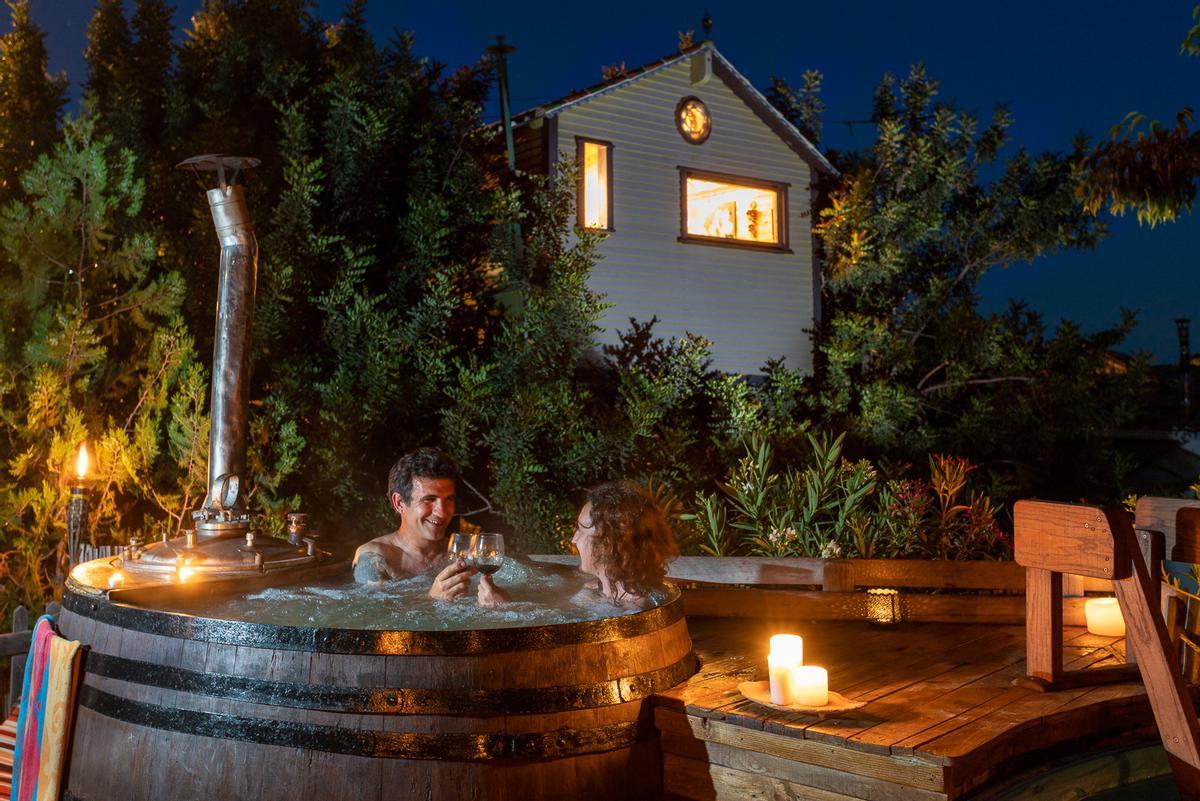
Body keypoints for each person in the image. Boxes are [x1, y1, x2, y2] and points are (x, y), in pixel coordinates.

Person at [352, 447, 506, 605]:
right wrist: (430, 599)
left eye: (449, 499)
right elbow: (371, 615)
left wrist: (505, 605)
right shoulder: (374, 557)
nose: (442, 512)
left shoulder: (462, 555)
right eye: (429, 499)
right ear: (399, 503)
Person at [571, 481, 678, 609]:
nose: (574, 539)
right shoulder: (591, 590)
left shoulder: (638, 610)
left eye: (581, 530)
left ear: (608, 543)